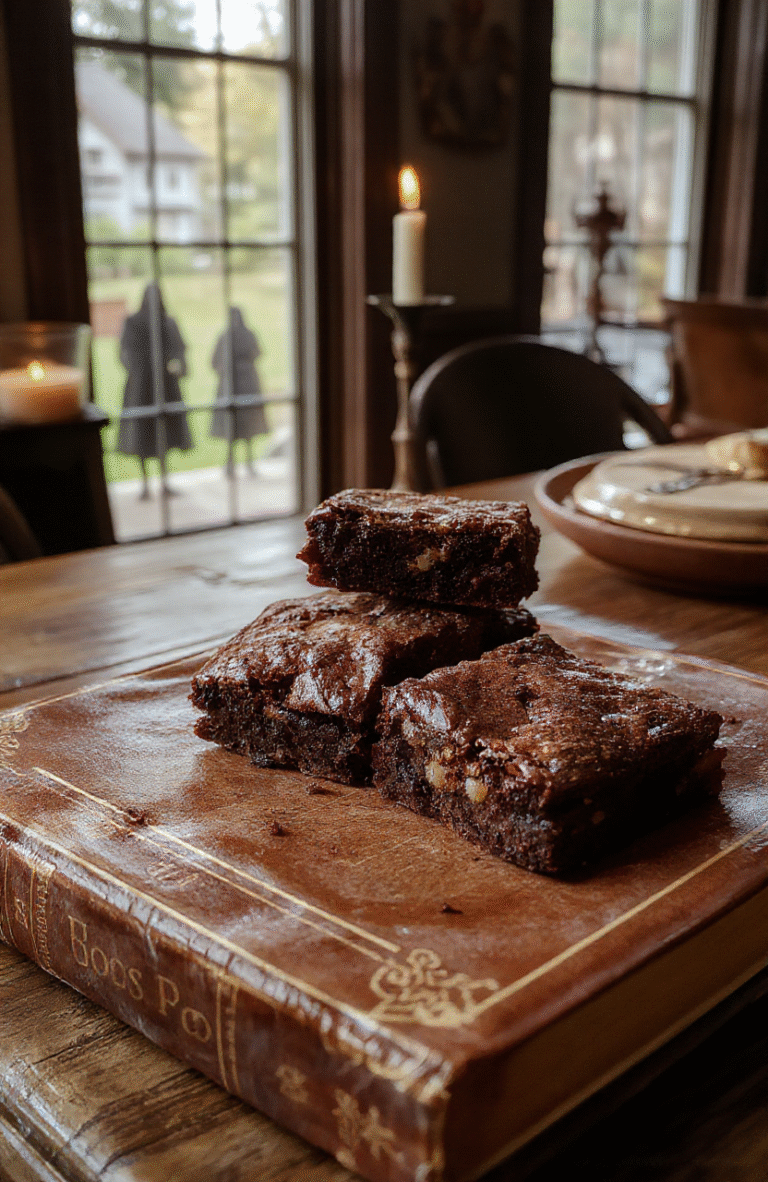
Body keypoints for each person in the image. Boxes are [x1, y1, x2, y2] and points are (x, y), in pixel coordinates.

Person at [117, 283, 192, 498]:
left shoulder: (168, 322)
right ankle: (145, 484)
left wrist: (178, 368)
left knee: (165, 432)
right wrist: (138, 369)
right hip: (141, 385)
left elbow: (179, 349)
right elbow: (124, 352)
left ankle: (163, 482)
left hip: (164, 383)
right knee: (142, 433)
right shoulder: (133, 322)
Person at [209, 306, 268, 474]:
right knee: (238, 425)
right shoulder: (244, 335)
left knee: (238, 424)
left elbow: (214, 362)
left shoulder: (227, 336)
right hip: (241, 383)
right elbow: (257, 353)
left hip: (237, 384)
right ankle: (237, 463)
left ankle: (238, 463)